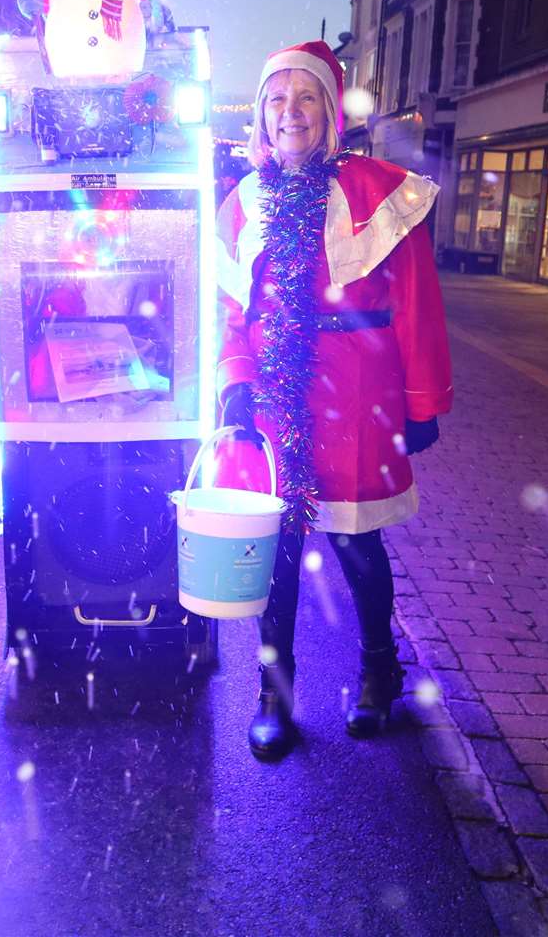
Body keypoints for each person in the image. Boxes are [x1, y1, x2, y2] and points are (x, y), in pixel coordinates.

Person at [214, 40, 452, 760]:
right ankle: (273, 695)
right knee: (274, 553)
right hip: (275, 394)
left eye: (307, 98)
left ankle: (381, 671)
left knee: (356, 543)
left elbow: (416, 304)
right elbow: (232, 312)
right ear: (261, 115)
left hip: (356, 392)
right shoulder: (243, 200)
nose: (292, 113)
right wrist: (233, 382)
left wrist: (421, 402)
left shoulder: (379, 190)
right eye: (278, 100)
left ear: (329, 111)